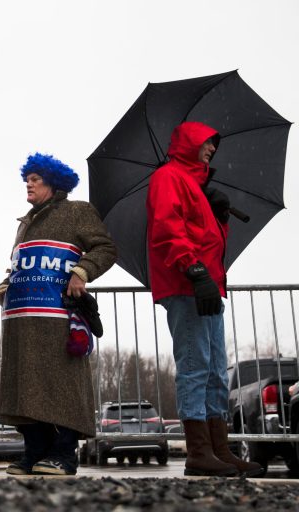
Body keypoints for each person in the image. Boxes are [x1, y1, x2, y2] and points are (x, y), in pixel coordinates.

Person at [146, 121, 264, 477]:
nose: (212, 149)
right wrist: (194, 271)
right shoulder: (168, 177)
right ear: (189, 142)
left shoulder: (196, 185)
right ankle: (199, 452)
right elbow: (168, 229)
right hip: (188, 286)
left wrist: (220, 215)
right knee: (195, 366)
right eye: (206, 143)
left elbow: (206, 237)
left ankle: (219, 450)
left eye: (214, 144)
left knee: (215, 369)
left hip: (208, 287)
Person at [0, 153, 117, 476]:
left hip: (58, 317)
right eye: (28, 179)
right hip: (22, 318)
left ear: (54, 183)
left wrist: (82, 271)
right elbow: (20, 263)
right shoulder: (25, 223)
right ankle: (34, 451)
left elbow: (105, 248)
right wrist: (6, 284)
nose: (29, 184)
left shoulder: (77, 212)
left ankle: (64, 454)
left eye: (35, 179)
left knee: (61, 385)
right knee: (25, 385)